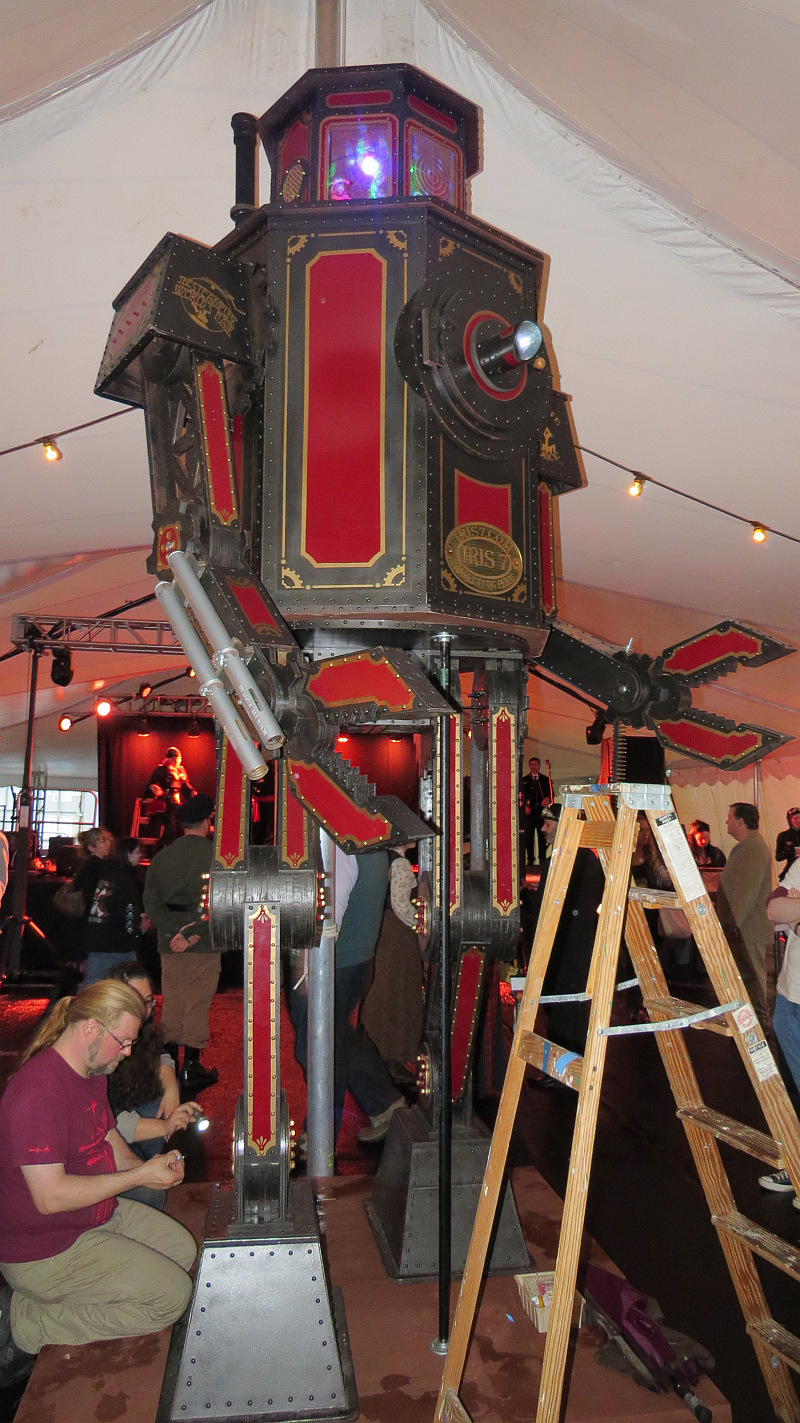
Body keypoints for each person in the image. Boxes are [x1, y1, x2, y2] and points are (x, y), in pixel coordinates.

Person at [0, 980, 196, 1387]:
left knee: (184, 1251)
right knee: (172, 1298)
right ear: (90, 1028)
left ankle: (87, 1285)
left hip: (91, 1219)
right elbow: (50, 1198)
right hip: (45, 1250)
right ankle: (29, 1321)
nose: (127, 1053)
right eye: (122, 1042)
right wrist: (139, 1176)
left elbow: (107, 1139)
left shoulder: (90, 1071)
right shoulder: (38, 1095)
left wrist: (151, 1169)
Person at [289, 845, 404, 1149]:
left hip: (333, 964)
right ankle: (387, 1105)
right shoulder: (370, 841)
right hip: (356, 961)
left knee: (318, 1048)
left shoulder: (338, 845)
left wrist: (305, 965)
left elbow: (329, 916)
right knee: (342, 1038)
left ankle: (320, 1136)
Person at [105, 961, 201, 1209]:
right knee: (151, 1195)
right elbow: (107, 1122)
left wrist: (172, 1090)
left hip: (120, 1125)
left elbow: (159, 1054)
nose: (144, 1010)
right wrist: (166, 1125)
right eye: (135, 1001)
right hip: (97, 1142)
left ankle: (145, 1167)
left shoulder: (138, 1028)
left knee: (160, 1099)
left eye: (148, 1002)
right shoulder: (102, 1041)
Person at [143, 792, 218, 1097]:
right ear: (206, 822)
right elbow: (223, 902)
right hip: (205, 940)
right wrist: (191, 932)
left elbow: (151, 902)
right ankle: (192, 1065)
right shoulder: (217, 857)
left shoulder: (162, 857)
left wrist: (174, 932)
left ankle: (169, 1064)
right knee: (198, 1000)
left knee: (173, 1000)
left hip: (169, 943)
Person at [360, 844, 423, 1084]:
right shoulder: (400, 863)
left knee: (382, 991)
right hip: (397, 935)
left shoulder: (380, 856)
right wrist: (422, 923)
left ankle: (379, 1055)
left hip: (382, 929)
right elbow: (401, 905)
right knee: (395, 991)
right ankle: (392, 1056)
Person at [758, 864, 800, 1199]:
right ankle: (797, 1165)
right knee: (792, 1091)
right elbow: (774, 908)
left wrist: (796, 911)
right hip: (789, 996)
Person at [717, 802, 773, 1024]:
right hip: (742, 928)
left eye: (730, 817)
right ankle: (749, 1026)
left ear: (741, 822)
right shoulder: (747, 847)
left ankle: (760, 1029)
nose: (727, 821)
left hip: (747, 929)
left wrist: (733, 923)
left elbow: (748, 891)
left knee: (753, 982)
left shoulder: (753, 848)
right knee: (746, 980)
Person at [80, 837, 147, 986]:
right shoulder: (125, 879)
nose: (140, 855)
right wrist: (137, 930)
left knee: (92, 987)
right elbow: (129, 910)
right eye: (137, 852)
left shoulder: (107, 874)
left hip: (97, 938)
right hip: (117, 944)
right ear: (127, 854)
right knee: (126, 987)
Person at [520, 757, 552, 866]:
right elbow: (521, 796)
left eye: (535, 765)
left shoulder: (544, 780)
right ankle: (530, 859)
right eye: (532, 765)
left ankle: (542, 859)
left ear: (539, 766)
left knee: (542, 836)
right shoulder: (524, 780)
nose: (533, 767)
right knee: (529, 836)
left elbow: (551, 794)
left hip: (541, 812)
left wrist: (547, 800)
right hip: (529, 813)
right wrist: (525, 806)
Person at [775, 808, 800, 879]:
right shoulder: (784, 836)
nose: (798, 821)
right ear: (790, 820)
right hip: (791, 872)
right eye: (795, 818)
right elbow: (778, 857)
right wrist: (791, 852)